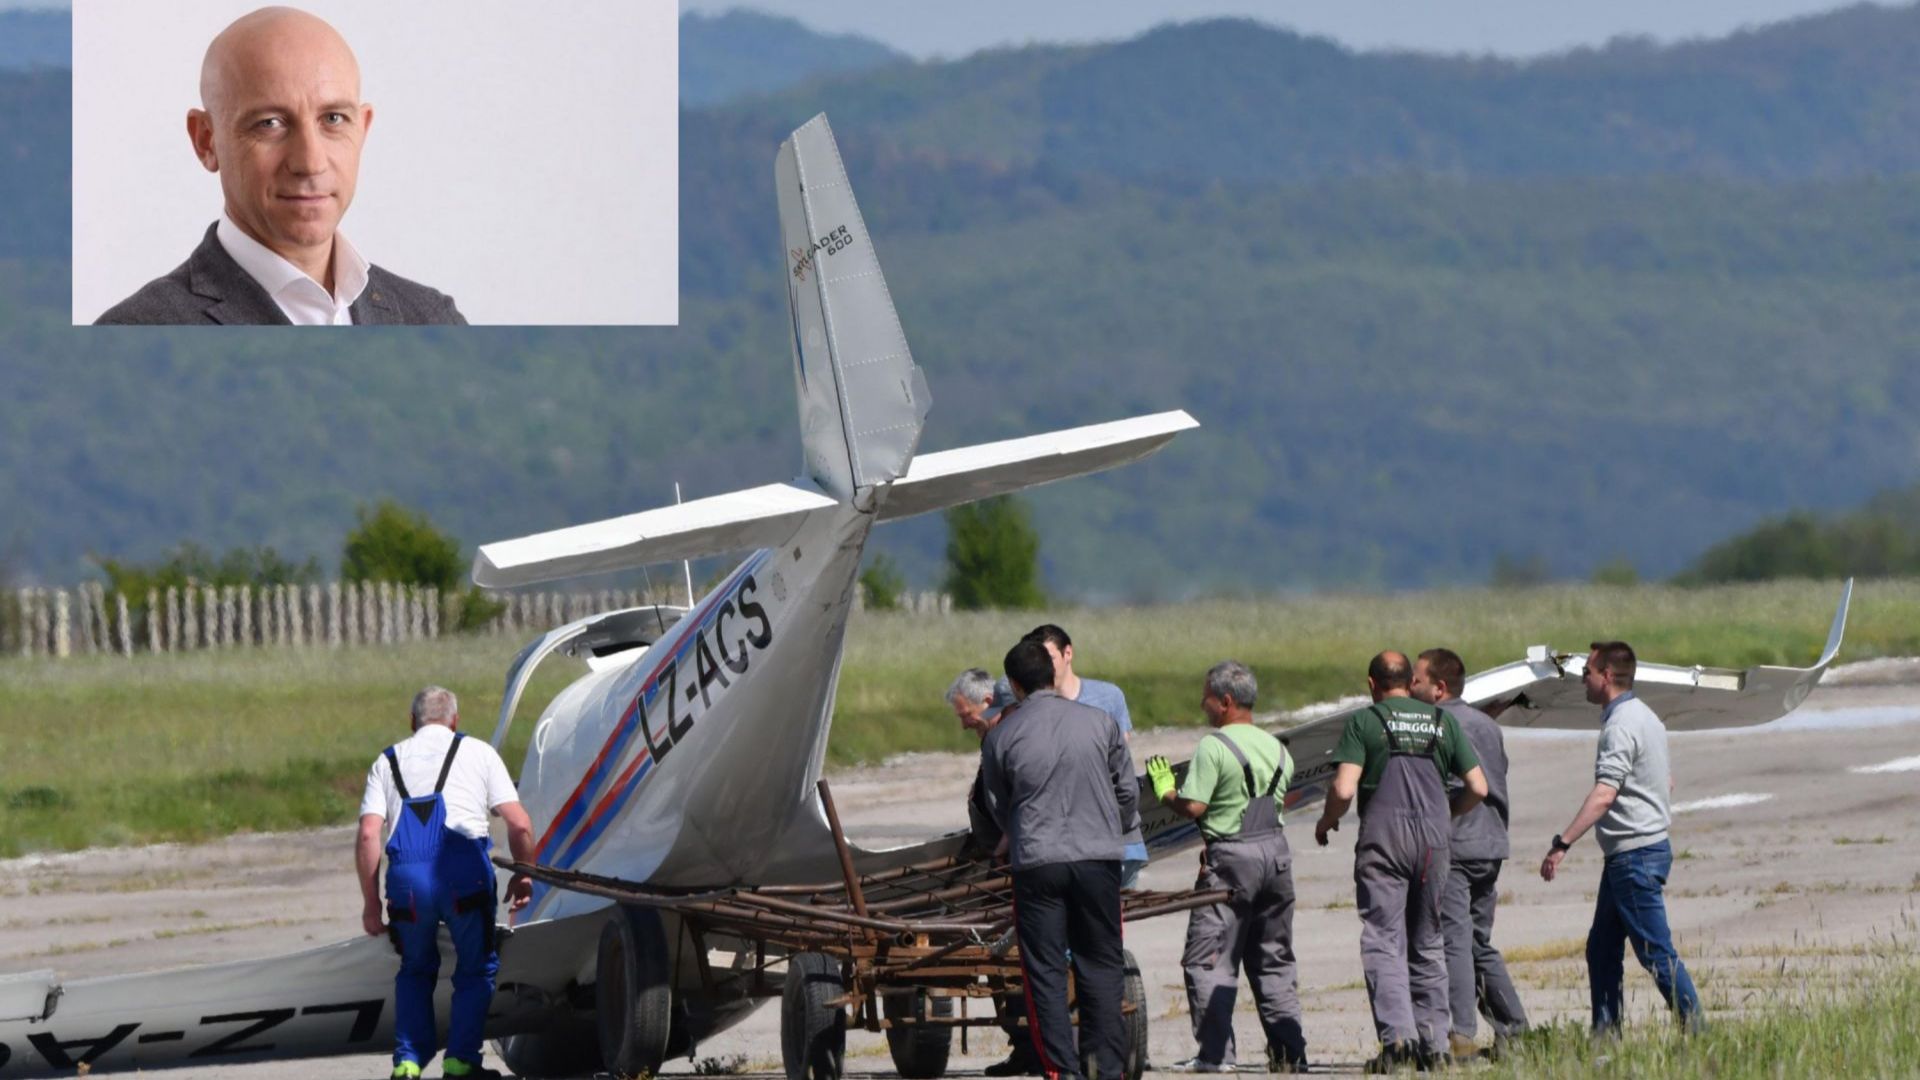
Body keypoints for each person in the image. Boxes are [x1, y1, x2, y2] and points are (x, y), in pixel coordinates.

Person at [96, 6, 465, 325]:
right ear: (206, 140)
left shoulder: (431, 317)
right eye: (270, 123)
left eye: (333, 119)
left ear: (363, 129)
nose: (310, 162)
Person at [1314, 651, 1487, 1073]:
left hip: (1384, 840)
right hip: (1434, 841)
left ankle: (1398, 1043)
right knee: (1428, 940)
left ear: (1372, 684)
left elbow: (1343, 787)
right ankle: (1434, 1045)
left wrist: (1327, 820)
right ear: (1410, 681)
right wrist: (1447, 813)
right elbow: (1479, 787)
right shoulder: (1442, 720)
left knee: (1384, 940)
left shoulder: (1365, 721)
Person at [980, 639, 1138, 1080]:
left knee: (1045, 970)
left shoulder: (1001, 737)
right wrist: (1109, 824)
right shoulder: (1101, 721)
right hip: (1098, 858)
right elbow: (1127, 792)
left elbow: (998, 804)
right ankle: (1106, 1070)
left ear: (1014, 684)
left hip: (1038, 861)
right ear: (1054, 671)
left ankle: (1061, 1072)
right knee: (1102, 962)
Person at [358, 686, 534, 1080]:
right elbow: (519, 822)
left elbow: (370, 834)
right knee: (475, 968)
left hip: (407, 883)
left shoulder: (387, 762)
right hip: (463, 876)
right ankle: (461, 1061)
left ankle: (407, 1063)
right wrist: (524, 874)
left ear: (412, 722)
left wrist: (371, 904)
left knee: (415, 968)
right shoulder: (479, 753)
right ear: (455, 721)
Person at [1145, 661, 1308, 1074]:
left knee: (1208, 958)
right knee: (1274, 959)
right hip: (1277, 854)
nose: (1203, 704)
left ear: (1226, 702)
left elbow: (1195, 806)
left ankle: (1216, 1055)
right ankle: (1290, 1056)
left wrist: (1166, 792)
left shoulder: (1213, 747)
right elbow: (1280, 801)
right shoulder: (1278, 748)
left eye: (1207, 697)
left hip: (1232, 860)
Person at [1539, 641, 1704, 1035]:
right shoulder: (1647, 717)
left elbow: (1605, 793)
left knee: (1655, 952)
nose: (1583, 680)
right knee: (1601, 949)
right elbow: (1666, 780)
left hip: (1635, 856)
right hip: (1634, 853)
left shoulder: (1620, 725)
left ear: (1607, 677)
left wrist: (1562, 843)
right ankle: (1606, 1035)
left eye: (1588, 673)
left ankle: (1697, 1032)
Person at [1411, 648, 1530, 1059]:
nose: (1412, 687)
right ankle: (1515, 1031)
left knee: (1455, 943)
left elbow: (1446, 785)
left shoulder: (1437, 725)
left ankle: (1460, 1035)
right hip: (1492, 842)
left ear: (1438, 687)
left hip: (1458, 844)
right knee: (1479, 943)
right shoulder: (1485, 724)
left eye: (1417, 680)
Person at [947, 668, 1041, 1078]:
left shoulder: (1007, 741)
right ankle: (1024, 1047)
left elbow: (1022, 804)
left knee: (1015, 960)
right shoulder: (995, 741)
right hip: (1002, 870)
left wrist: (1003, 846)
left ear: (989, 703)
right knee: (1005, 964)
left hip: (1015, 870)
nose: (963, 721)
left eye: (965, 712)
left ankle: (1035, 1048)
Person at [1024, 624, 1150, 887]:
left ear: (1068, 653)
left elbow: (1121, 770)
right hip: (1062, 846)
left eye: (1051, 658)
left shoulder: (1108, 697)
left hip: (1114, 838)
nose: (1045, 667)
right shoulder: (1032, 708)